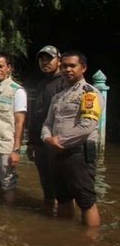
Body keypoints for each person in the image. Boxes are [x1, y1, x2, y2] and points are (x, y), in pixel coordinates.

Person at [41, 50, 103, 227]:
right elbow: (47, 123)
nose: (67, 69)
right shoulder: (58, 96)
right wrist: (48, 139)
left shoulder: (89, 93)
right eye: (64, 66)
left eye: (72, 66)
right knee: (63, 198)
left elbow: (87, 127)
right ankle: (66, 235)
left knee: (86, 200)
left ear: (83, 68)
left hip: (79, 153)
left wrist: (59, 141)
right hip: (57, 152)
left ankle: (90, 238)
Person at [26, 45, 68, 214]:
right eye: (42, 59)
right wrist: (31, 142)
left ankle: (63, 223)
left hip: (56, 141)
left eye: (49, 59)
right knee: (46, 182)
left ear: (59, 59)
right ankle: (49, 215)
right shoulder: (42, 83)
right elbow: (36, 114)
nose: (45, 62)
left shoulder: (65, 82)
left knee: (62, 185)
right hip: (40, 141)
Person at [0, 52, 27, 204]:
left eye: (1, 66)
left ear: (9, 68)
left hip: (6, 146)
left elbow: (20, 122)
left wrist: (16, 150)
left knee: (8, 184)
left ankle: (8, 217)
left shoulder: (17, 91)